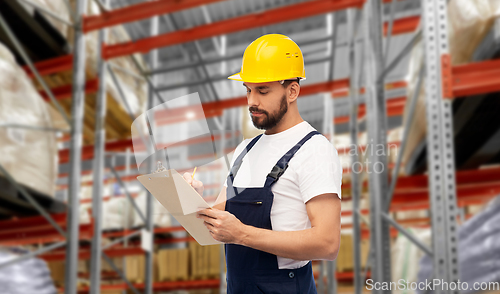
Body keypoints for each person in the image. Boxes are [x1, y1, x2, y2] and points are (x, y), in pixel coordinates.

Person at [183, 34, 342, 294]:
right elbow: (219, 224)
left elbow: (327, 243)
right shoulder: (244, 150)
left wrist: (241, 234)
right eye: (248, 89)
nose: (251, 101)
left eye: (262, 90)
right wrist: (193, 200)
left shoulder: (315, 150)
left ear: (292, 91)